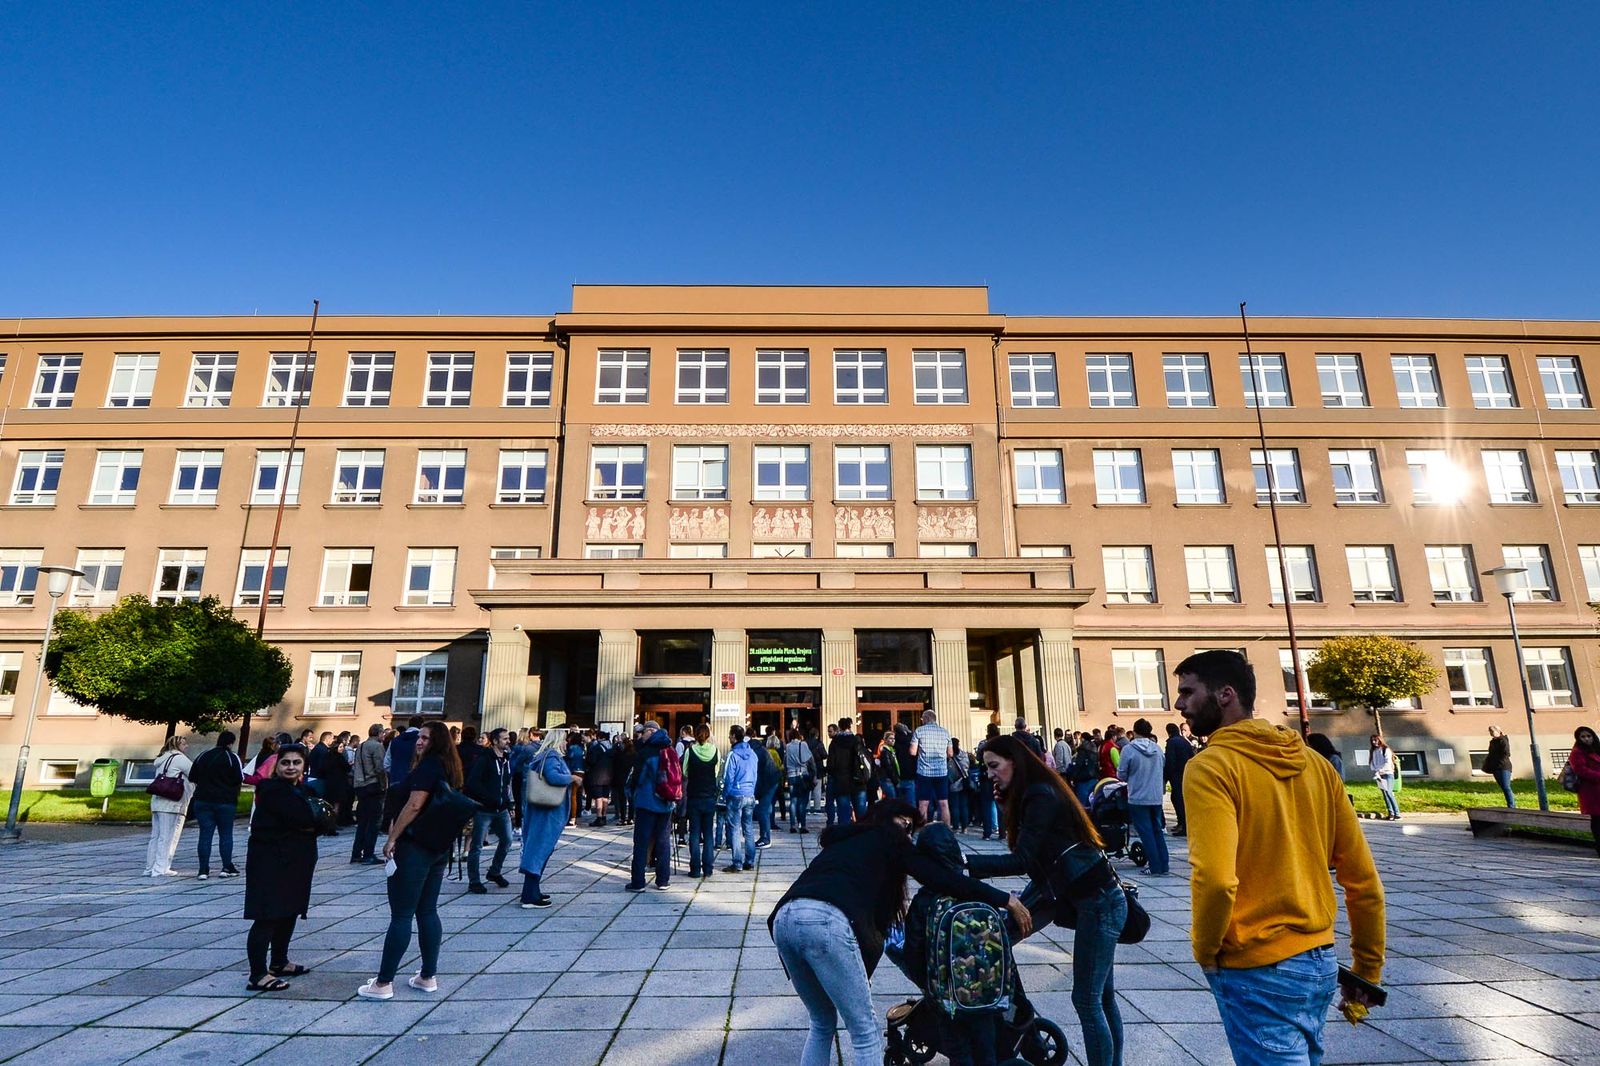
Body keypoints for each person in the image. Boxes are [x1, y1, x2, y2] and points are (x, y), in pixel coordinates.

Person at [1174, 650, 1385, 1066]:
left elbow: (1216, 878)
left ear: (1225, 695)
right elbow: (1363, 880)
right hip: (1320, 960)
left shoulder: (1211, 767)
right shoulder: (1316, 765)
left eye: (1187, 692)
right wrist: (1366, 969)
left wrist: (1206, 949)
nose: (1179, 704)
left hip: (1255, 963)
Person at [768, 798, 1031, 1066]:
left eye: (911, 830)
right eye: (905, 825)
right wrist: (1004, 899)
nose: (907, 834)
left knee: (822, 1022)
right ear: (886, 818)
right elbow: (943, 879)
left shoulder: (847, 839)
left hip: (785, 918)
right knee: (865, 1030)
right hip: (826, 922)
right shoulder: (889, 838)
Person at [968, 735, 1124, 1066]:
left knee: (1088, 999)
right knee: (1102, 998)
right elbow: (1031, 850)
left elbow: (1022, 858)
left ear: (1016, 761)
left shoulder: (1040, 794)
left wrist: (967, 864)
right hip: (1077, 893)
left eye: (994, 766)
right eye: (987, 768)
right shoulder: (1033, 792)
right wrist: (1006, 804)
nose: (990, 774)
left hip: (1098, 900)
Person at [359, 721, 465, 999]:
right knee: (428, 911)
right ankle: (427, 976)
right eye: (419, 736)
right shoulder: (450, 766)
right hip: (438, 847)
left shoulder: (428, 767)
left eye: (426, 738)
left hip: (415, 846)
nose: (419, 741)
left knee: (402, 915)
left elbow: (415, 803)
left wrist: (392, 837)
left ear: (437, 742)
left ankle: (383, 983)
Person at [243, 743, 329, 992]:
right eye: (285, 762)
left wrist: (315, 820)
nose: (291, 767)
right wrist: (314, 820)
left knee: (289, 911)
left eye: (296, 762)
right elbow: (306, 818)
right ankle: (258, 974)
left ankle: (279, 961)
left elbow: (323, 820)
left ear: (304, 766)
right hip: (271, 861)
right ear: (276, 766)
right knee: (267, 915)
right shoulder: (272, 789)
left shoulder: (301, 789)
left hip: (295, 860)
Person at [515, 727, 576, 907]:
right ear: (558, 740)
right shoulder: (551, 756)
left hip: (543, 810)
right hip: (547, 811)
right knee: (539, 850)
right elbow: (553, 777)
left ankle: (533, 891)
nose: (566, 743)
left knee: (539, 850)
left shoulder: (544, 755)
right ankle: (529, 896)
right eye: (564, 740)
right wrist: (572, 778)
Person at [464, 727, 515, 894]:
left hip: (502, 808)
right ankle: (474, 880)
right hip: (484, 809)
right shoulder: (484, 759)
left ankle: (494, 871)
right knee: (477, 845)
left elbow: (507, 783)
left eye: (508, 738)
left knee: (507, 840)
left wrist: (509, 803)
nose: (508, 741)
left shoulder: (506, 759)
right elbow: (472, 783)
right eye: (505, 739)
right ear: (494, 741)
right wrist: (488, 798)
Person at [627, 720, 675, 891]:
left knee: (641, 842)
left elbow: (637, 779)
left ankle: (638, 881)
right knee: (663, 842)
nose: (641, 736)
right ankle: (663, 880)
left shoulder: (646, 752)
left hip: (646, 802)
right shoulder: (670, 750)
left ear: (651, 731)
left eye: (644, 732)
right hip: (666, 803)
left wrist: (632, 794)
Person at [1117, 718, 1169, 876]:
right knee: (1157, 830)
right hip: (1155, 796)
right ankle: (1164, 865)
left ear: (1134, 731)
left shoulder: (1128, 749)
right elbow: (1163, 767)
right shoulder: (1157, 749)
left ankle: (1154, 866)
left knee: (1145, 832)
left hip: (1138, 796)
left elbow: (1122, 774)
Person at [190, 730, 243, 880]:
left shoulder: (203, 755)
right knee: (225, 834)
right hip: (225, 801)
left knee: (205, 835)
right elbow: (239, 778)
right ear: (231, 743)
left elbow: (193, 776)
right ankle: (226, 866)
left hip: (203, 800)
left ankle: (203, 870)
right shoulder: (232, 757)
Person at [144, 735, 194, 877]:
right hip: (172, 803)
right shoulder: (179, 758)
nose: (186, 746)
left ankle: (150, 867)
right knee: (168, 836)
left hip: (157, 801)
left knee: (156, 836)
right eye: (184, 744)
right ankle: (161, 868)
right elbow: (194, 773)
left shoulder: (162, 758)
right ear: (177, 746)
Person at [681, 723, 720, 877]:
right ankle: (708, 868)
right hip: (709, 796)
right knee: (709, 834)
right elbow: (716, 772)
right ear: (709, 735)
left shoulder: (690, 751)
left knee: (695, 834)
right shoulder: (715, 751)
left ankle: (695, 869)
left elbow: (685, 771)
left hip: (694, 797)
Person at [722, 724, 760, 873]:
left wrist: (725, 794)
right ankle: (749, 861)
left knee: (734, 829)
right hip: (750, 793)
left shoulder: (733, 755)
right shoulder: (752, 753)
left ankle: (737, 863)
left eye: (730, 735)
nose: (728, 737)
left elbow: (728, 778)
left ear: (733, 736)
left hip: (736, 794)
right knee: (749, 828)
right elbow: (756, 774)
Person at [350, 723, 388, 864]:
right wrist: (384, 784)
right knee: (373, 822)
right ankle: (368, 854)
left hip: (360, 785)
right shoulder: (377, 746)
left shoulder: (362, 745)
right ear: (378, 733)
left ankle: (356, 853)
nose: (384, 735)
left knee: (363, 822)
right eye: (383, 733)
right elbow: (380, 768)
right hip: (372, 785)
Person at [911, 709, 953, 826]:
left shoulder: (919, 731)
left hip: (924, 772)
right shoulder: (945, 732)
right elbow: (950, 754)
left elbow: (912, 752)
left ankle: (921, 829)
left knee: (923, 804)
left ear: (925, 718)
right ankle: (947, 829)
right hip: (941, 772)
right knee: (944, 803)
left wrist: (921, 751)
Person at [382, 717, 424, 830]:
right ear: (421, 725)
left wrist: (395, 773)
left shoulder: (395, 740)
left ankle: (393, 841)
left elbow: (386, 764)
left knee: (395, 816)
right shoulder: (421, 741)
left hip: (396, 782)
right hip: (415, 784)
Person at [826, 717, 868, 825]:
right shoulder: (857, 741)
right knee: (861, 814)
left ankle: (845, 836)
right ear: (850, 726)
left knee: (844, 813)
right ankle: (862, 835)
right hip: (858, 780)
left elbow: (831, 765)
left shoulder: (835, 743)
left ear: (839, 727)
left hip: (841, 781)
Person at [1567, 726, 1600, 858]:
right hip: (1591, 791)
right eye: (1583, 737)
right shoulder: (1577, 752)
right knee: (1597, 821)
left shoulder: (1597, 749)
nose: (1587, 739)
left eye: (1589, 736)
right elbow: (1580, 770)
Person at [1163, 722, 1195, 836]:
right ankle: (1182, 823)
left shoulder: (1171, 742)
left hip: (1176, 775)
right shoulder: (1184, 742)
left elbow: (1170, 761)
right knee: (1181, 799)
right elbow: (1192, 756)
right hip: (1186, 773)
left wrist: (1166, 777)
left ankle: (1183, 825)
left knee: (1177, 799)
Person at [782, 727, 815, 833]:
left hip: (791, 776)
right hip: (803, 775)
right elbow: (811, 761)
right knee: (802, 802)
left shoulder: (788, 746)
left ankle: (792, 825)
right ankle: (802, 825)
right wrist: (814, 774)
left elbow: (785, 761)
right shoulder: (803, 744)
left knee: (793, 801)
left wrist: (785, 775)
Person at [317, 734, 352, 830]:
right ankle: (333, 824)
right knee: (336, 805)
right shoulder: (339, 757)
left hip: (329, 782)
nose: (342, 749)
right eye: (340, 747)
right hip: (339, 783)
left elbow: (322, 769)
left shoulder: (327, 756)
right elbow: (347, 768)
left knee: (330, 804)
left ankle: (329, 823)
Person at [754, 732, 782, 848]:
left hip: (768, 782)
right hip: (772, 780)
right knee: (766, 808)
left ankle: (765, 838)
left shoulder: (755, 753)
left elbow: (758, 774)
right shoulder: (761, 750)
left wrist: (757, 793)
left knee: (762, 810)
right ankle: (766, 834)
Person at [586, 731, 614, 826]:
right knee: (605, 797)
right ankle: (604, 816)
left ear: (600, 738)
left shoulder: (597, 747)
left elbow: (591, 761)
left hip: (598, 775)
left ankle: (599, 817)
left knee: (598, 797)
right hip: (609, 775)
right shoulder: (611, 747)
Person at [1482, 726, 1515, 808]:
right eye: (1490, 732)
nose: (1491, 734)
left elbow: (1507, 753)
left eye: (1492, 732)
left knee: (1506, 786)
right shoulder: (1492, 742)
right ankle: (1510, 805)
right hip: (1495, 767)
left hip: (1504, 766)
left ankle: (1512, 806)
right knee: (1503, 787)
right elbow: (1490, 754)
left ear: (1498, 731)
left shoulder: (1503, 740)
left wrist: (1499, 761)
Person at [1370, 734, 1400, 820]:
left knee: (1389, 793)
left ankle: (1397, 813)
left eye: (1375, 740)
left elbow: (1387, 762)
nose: (1374, 742)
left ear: (1380, 740)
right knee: (1385, 794)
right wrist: (1376, 770)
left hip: (1387, 774)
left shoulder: (1385, 750)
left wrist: (1380, 770)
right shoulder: (1373, 751)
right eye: (1372, 740)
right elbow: (1372, 762)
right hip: (1379, 775)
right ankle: (1391, 814)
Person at [947, 736, 971, 833]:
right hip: (964, 782)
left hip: (954, 783)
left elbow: (949, 771)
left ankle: (956, 826)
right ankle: (965, 827)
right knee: (964, 806)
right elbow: (967, 766)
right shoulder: (964, 755)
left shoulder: (950, 757)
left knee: (955, 806)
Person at [612, 734, 635, 826]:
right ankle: (631, 818)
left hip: (621, 778)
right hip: (630, 778)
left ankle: (623, 818)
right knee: (631, 799)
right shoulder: (634, 754)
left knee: (622, 799)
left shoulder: (620, 754)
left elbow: (615, 763)